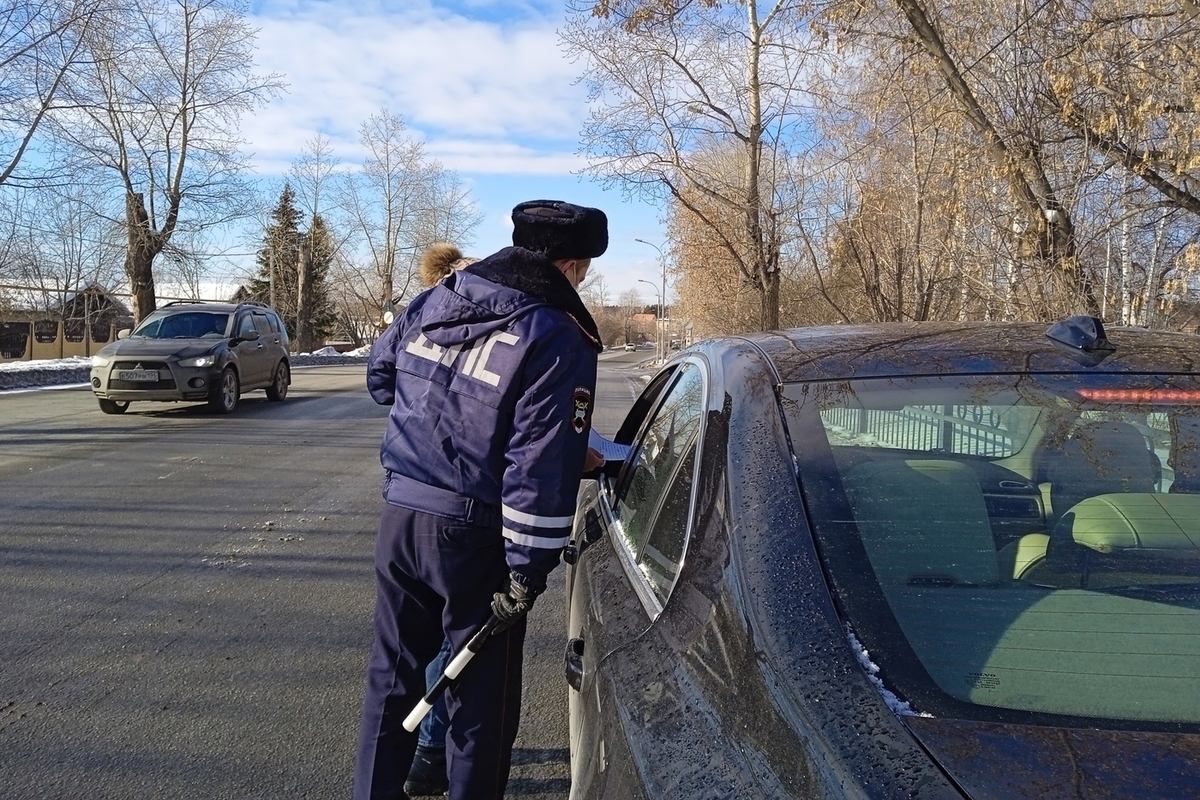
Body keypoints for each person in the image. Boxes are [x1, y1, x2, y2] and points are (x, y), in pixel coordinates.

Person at [355, 200, 608, 800]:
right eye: (586, 270)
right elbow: (538, 465)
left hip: (401, 516)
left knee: (390, 680)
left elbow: (381, 378)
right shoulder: (554, 331)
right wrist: (527, 571)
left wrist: (443, 419)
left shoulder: (438, 298)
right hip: (474, 535)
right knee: (480, 702)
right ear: (570, 265)